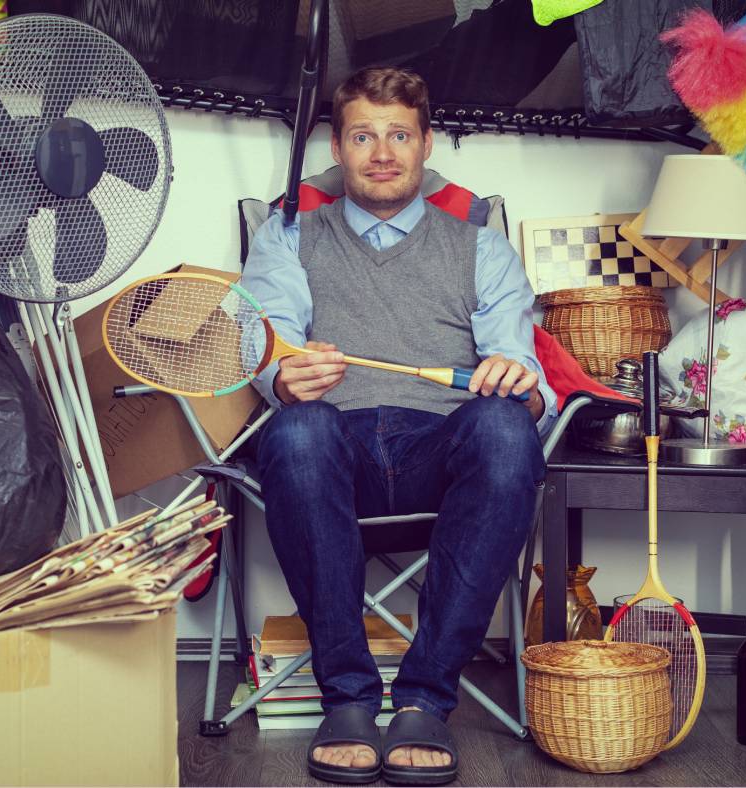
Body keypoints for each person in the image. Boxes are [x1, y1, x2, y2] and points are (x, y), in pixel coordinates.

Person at [241, 66, 557, 786]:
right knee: (294, 429)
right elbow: (265, 343)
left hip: (439, 457)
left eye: (398, 136)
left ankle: (424, 699)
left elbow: (519, 365)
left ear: (425, 145)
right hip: (330, 457)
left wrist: (521, 387)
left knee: (508, 426)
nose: (381, 152)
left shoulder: (481, 247)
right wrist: (282, 376)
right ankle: (347, 699)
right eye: (363, 135)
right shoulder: (287, 237)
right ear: (338, 146)